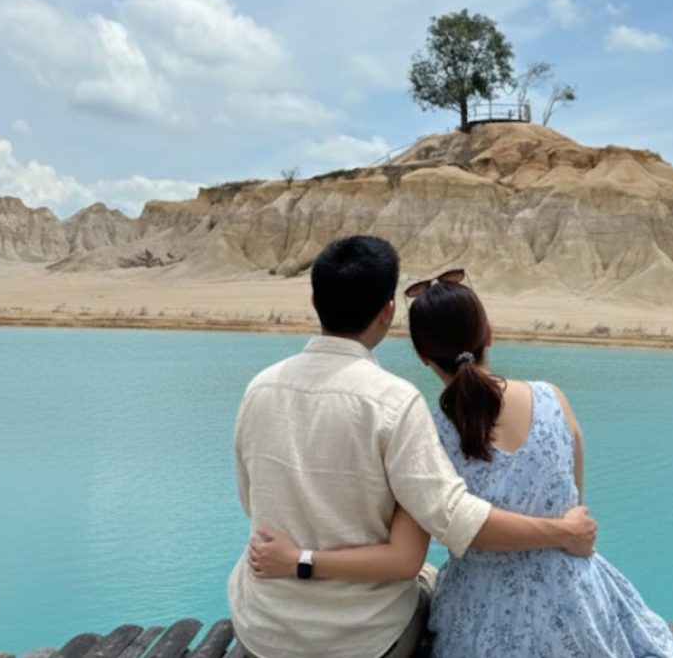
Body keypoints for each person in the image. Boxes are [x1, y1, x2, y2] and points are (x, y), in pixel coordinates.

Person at [250, 272, 673, 658]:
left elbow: (410, 552)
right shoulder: (554, 399)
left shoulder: (428, 431)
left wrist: (300, 560)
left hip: (480, 617)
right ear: (489, 335)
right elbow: (575, 504)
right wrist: (562, 536)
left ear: (423, 356)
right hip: (576, 601)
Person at [228, 237, 597, 658]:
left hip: (263, 631)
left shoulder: (259, 389)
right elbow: (436, 535)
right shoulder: (396, 403)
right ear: (386, 314)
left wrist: (299, 557)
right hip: (364, 641)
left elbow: (249, 502)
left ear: (314, 302)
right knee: (425, 576)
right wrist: (565, 532)